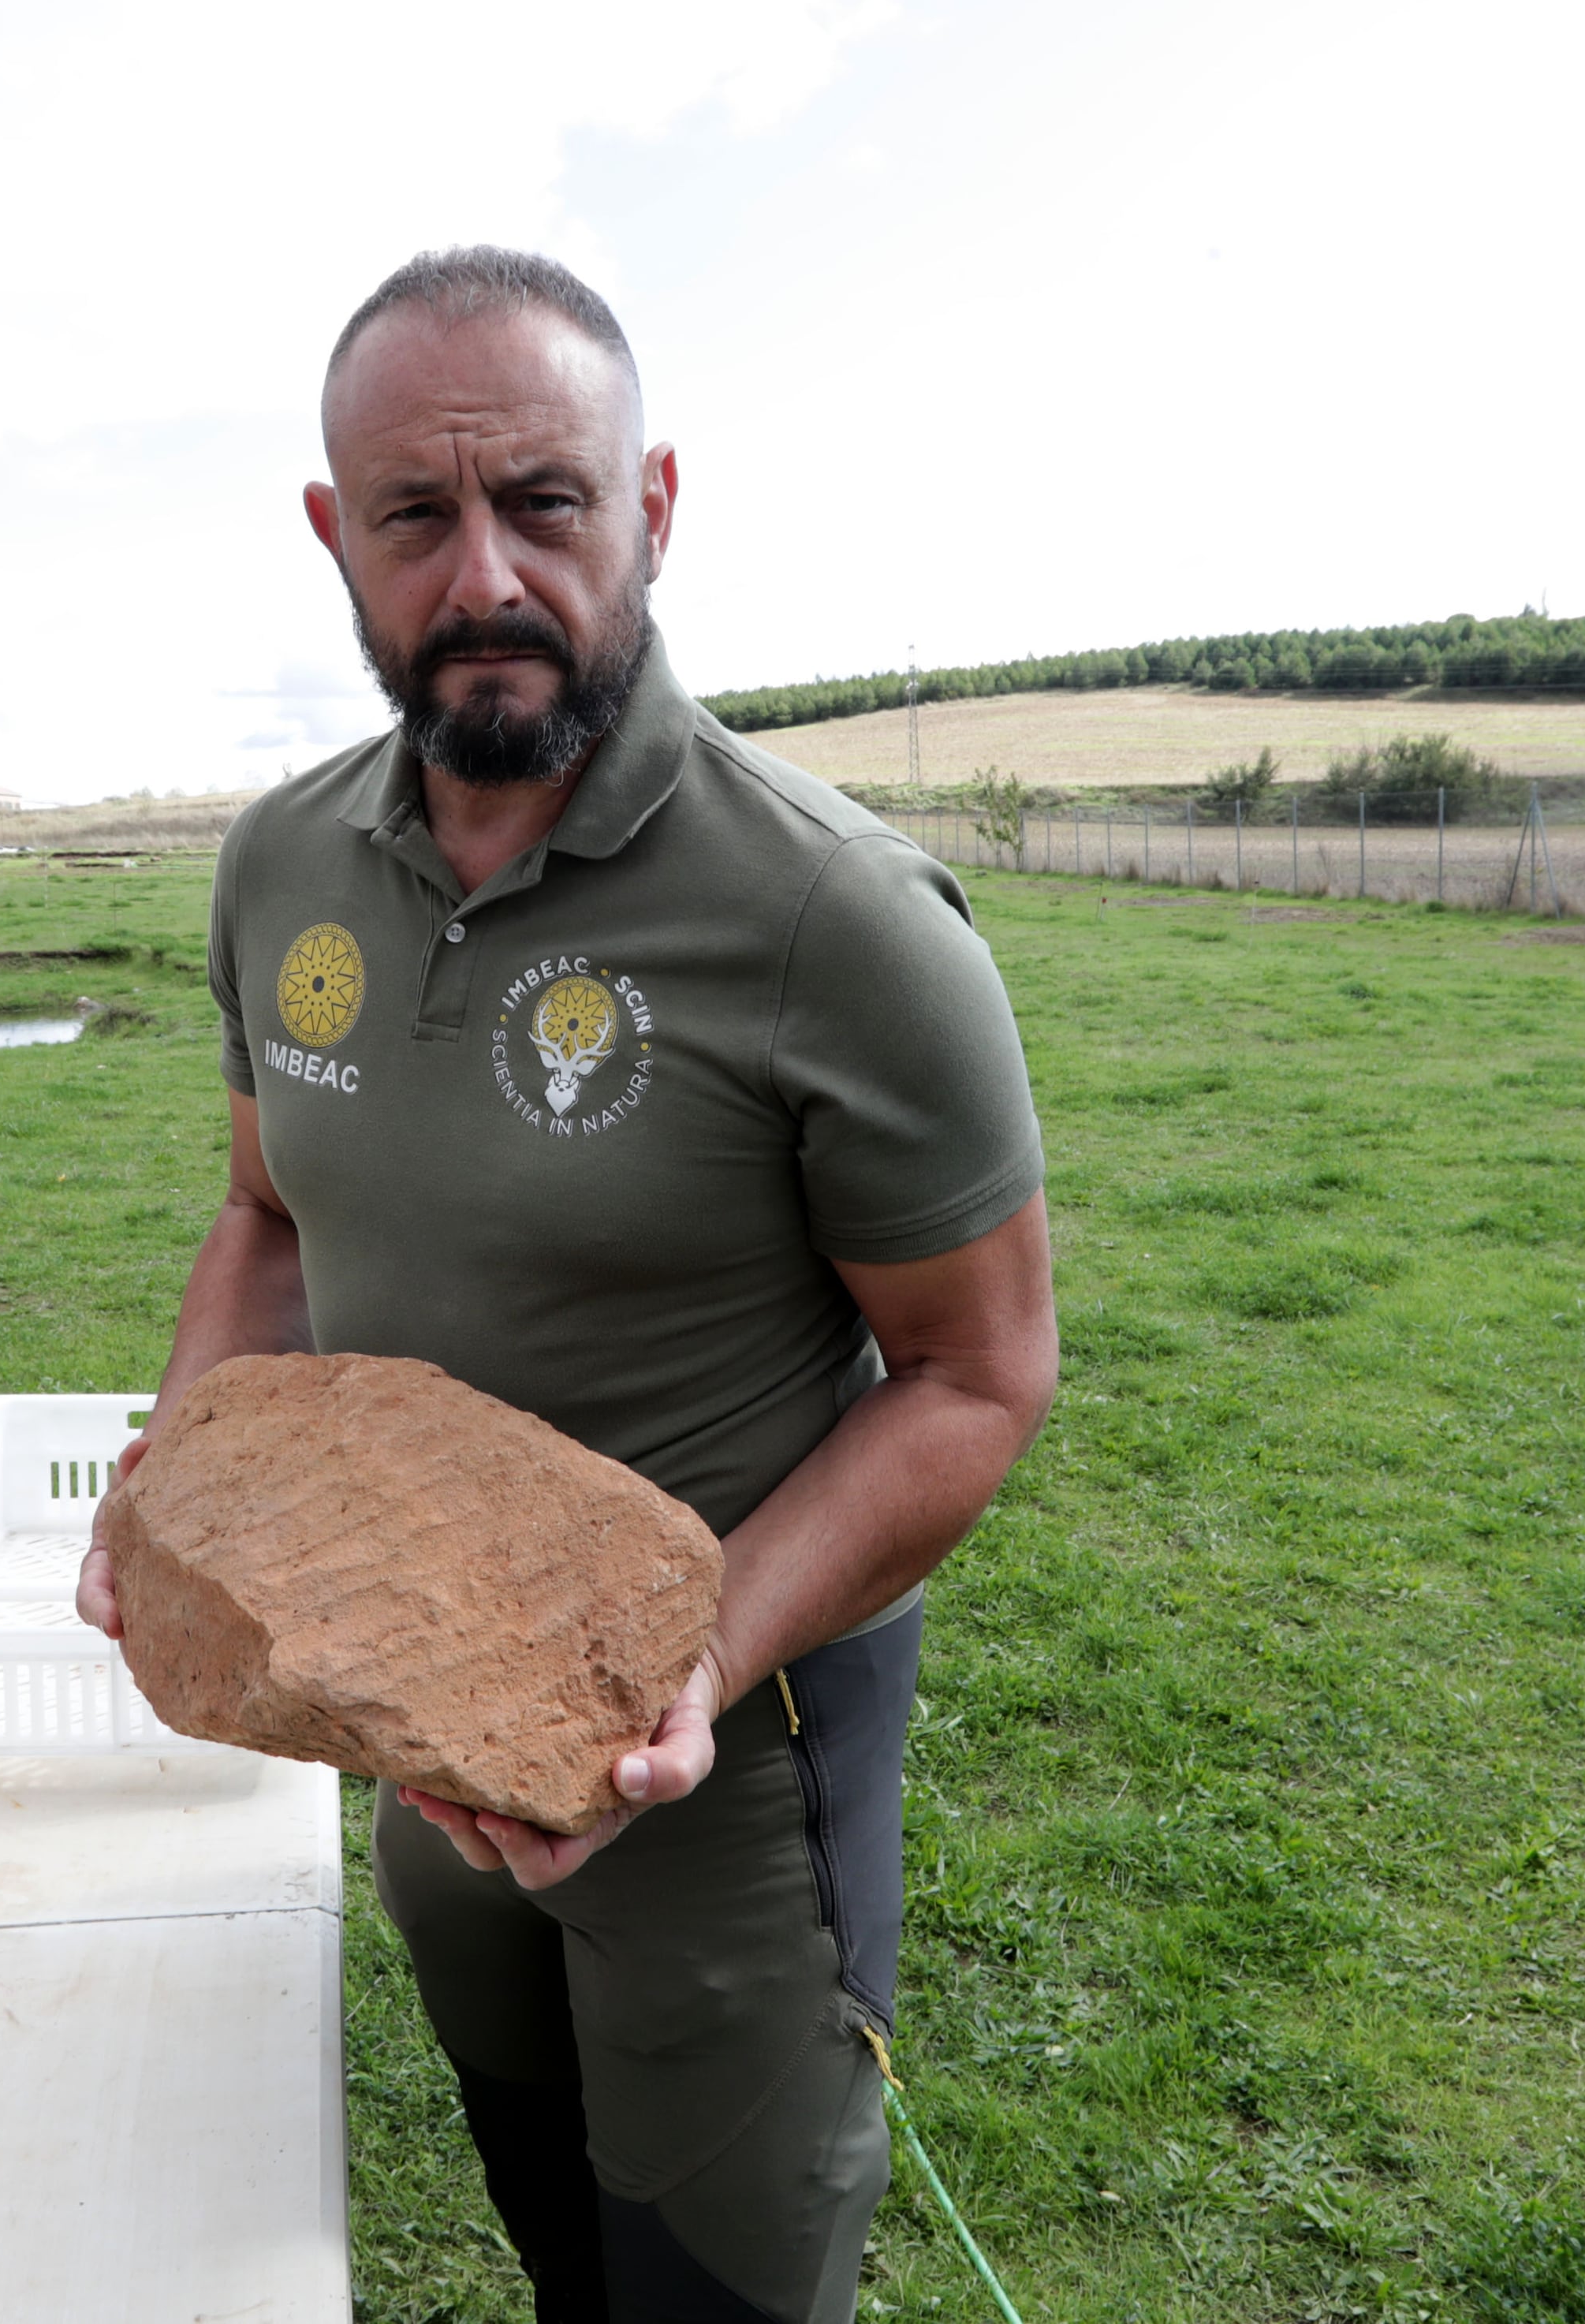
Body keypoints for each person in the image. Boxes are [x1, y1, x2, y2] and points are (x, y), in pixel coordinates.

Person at [79, 246, 1055, 2324]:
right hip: (415, 1710)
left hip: (728, 1749)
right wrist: (184, 1473)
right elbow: (264, 1221)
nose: (488, 578)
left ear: (657, 508)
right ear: (339, 537)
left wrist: (695, 1670)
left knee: (707, 2278)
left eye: (548, 501)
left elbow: (978, 1376)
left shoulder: (834, 917)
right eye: (420, 520)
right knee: (549, 2219)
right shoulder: (281, 871)